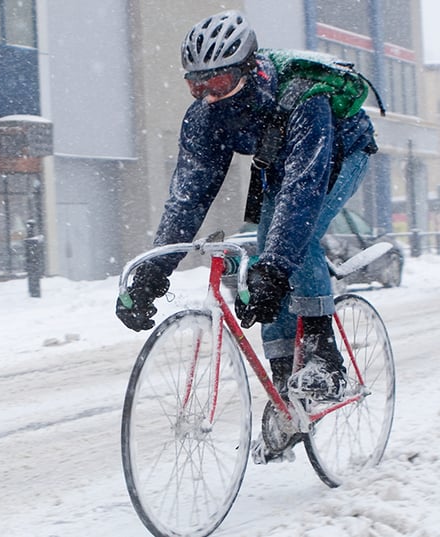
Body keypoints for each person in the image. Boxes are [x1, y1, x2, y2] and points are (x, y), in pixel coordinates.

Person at [115, 10, 378, 402]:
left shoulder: (304, 96)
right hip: (279, 161)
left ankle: (325, 359)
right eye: (197, 86)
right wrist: (154, 271)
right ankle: (287, 390)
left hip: (339, 152)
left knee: (291, 246)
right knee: (265, 264)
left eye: (219, 81)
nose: (210, 96)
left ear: (249, 68)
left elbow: (303, 191)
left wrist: (274, 269)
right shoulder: (204, 120)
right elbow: (186, 200)